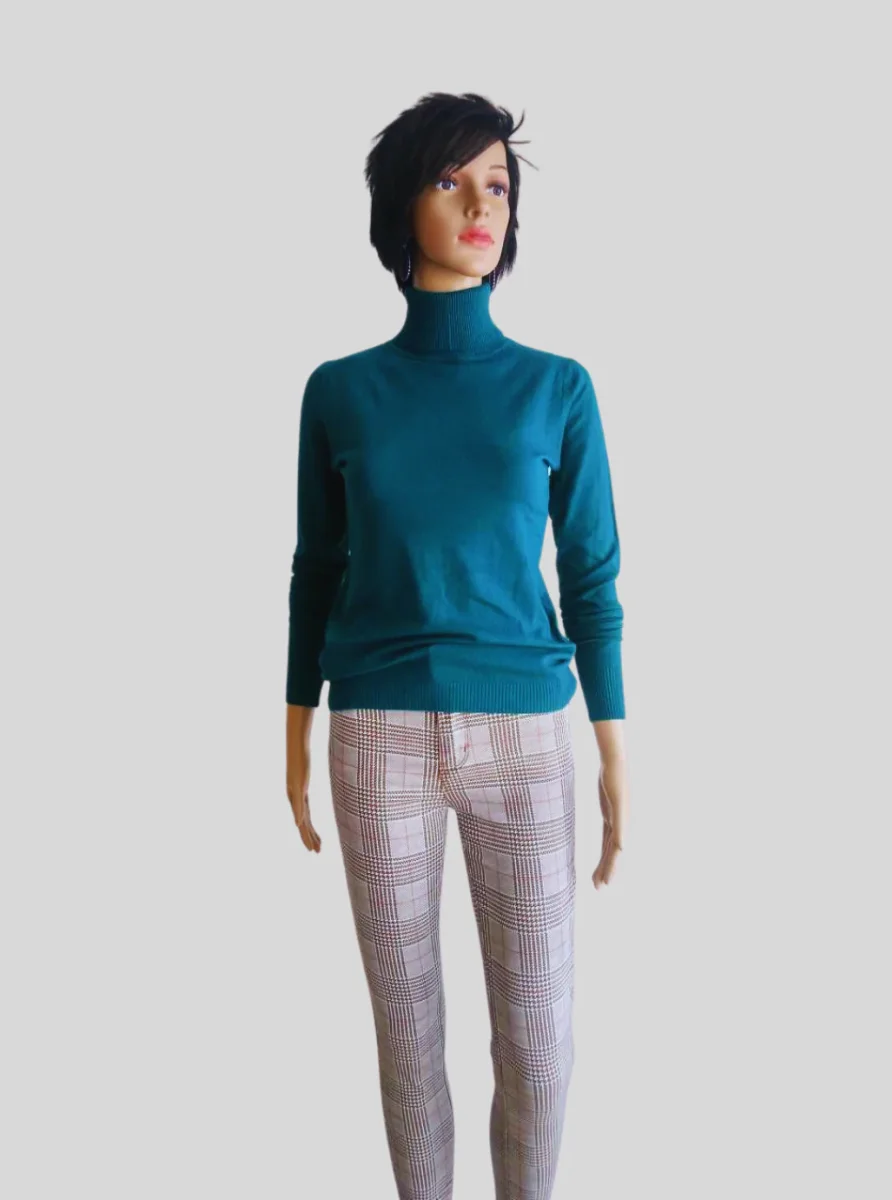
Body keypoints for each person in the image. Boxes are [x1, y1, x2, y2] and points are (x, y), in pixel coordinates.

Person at [285, 91, 629, 1200]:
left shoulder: (556, 388)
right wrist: (294, 730)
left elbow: (591, 577)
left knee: (540, 1036)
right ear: (402, 205)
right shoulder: (340, 392)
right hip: (374, 734)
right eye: (451, 181)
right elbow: (316, 569)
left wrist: (613, 745)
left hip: (525, 739)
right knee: (408, 1036)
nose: (482, 206)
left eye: (498, 186)